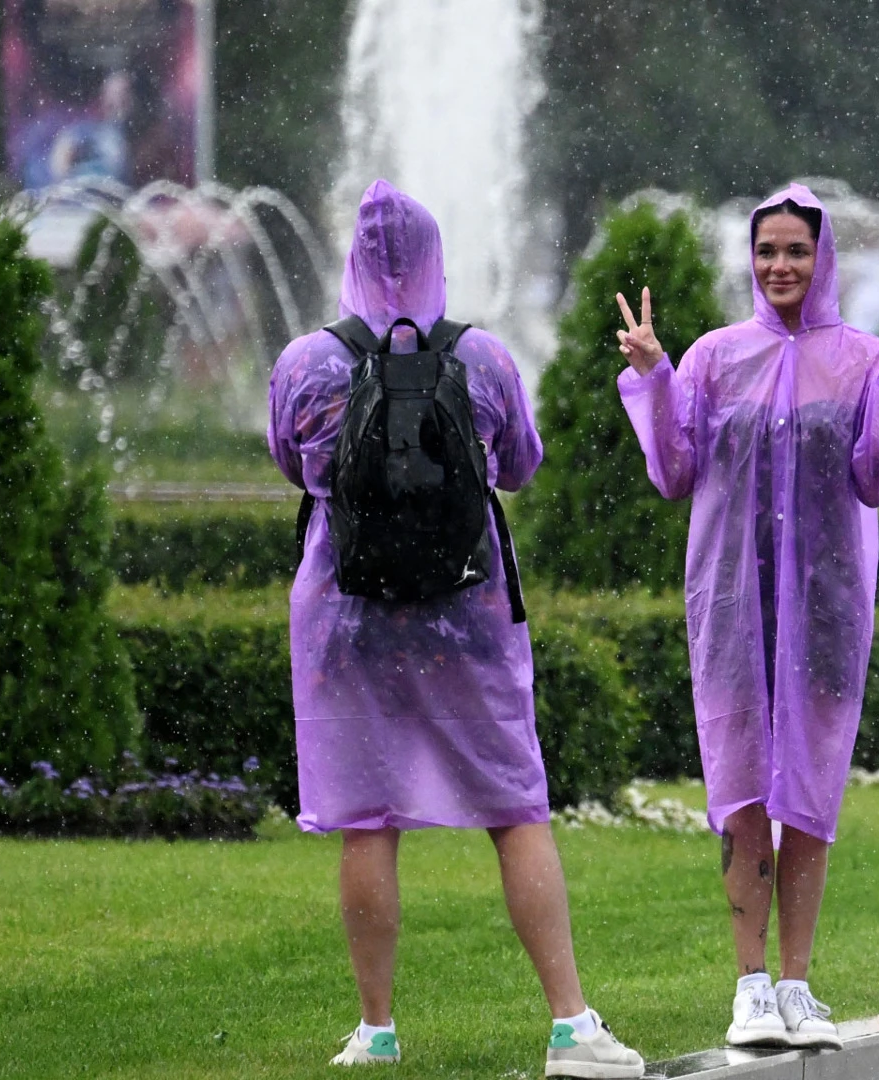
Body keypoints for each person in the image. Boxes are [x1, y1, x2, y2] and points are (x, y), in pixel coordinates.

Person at [268, 179, 644, 1078]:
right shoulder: (484, 359)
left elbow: (295, 462)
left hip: (346, 620)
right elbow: (518, 466)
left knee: (367, 820)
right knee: (515, 809)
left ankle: (376, 1031)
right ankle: (570, 1025)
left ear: (353, 263)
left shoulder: (306, 364)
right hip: (465, 618)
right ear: (435, 259)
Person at [616, 183, 879, 1050]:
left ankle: (798, 984)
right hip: (732, 608)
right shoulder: (716, 358)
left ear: (821, 257)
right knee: (744, 791)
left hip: (826, 610)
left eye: (796, 250)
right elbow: (675, 470)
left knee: (812, 795)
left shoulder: (865, 357)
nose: (780, 265)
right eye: (766, 251)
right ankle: (750, 985)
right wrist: (653, 375)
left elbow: (878, 480)